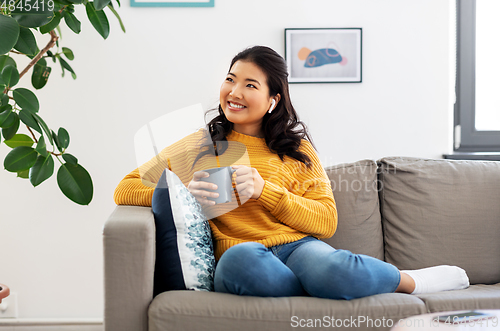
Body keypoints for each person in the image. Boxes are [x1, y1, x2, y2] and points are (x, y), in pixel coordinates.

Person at [114, 45, 469, 300]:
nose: (234, 92)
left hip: (297, 248)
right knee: (239, 264)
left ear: (273, 100)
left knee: (334, 269)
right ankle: (319, 291)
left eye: (250, 85)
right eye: (230, 80)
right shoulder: (199, 144)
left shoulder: (296, 149)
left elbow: (326, 221)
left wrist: (264, 190)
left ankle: (410, 282)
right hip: (240, 252)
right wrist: (185, 191)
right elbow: (126, 188)